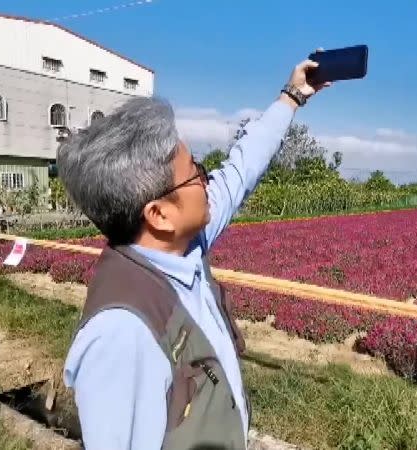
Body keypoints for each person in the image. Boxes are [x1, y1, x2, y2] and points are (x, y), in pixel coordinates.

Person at [57, 53, 330, 450]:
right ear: (159, 214)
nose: (208, 181)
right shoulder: (122, 333)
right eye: (196, 174)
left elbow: (241, 169)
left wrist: (292, 96)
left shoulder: (181, 246)